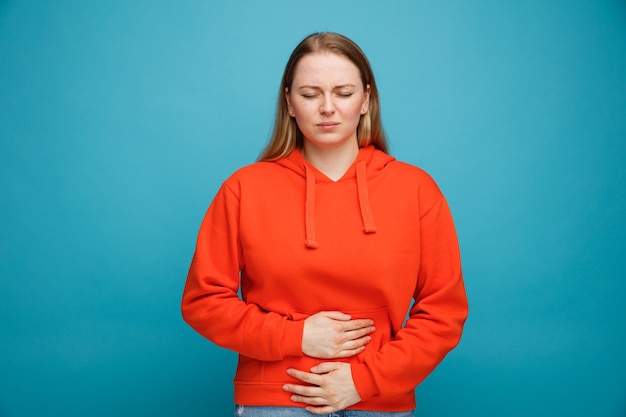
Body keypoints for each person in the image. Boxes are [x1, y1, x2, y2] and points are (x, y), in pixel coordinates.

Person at [181, 32, 468, 417]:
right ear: (290, 102)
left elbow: (443, 312)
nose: (328, 108)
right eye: (311, 94)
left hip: (379, 400)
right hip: (277, 397)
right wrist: (296, 336)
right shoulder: (244, 189)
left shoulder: (415, 189)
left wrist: (363, 381)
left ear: (366, 99)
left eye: (344, 93)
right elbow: (204, 301)